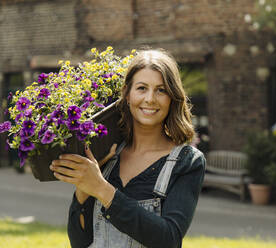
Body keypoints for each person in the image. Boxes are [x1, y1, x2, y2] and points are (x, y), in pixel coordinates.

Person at [49, 48, 205, 248]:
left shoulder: (187, 161)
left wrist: (101, 189)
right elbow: (80, 242)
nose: (150, 98)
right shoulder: (106, 152)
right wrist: (83, 189)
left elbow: (169, 239)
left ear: (172, 98)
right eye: (141, 88)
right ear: (127, 94)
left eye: (161, 90)